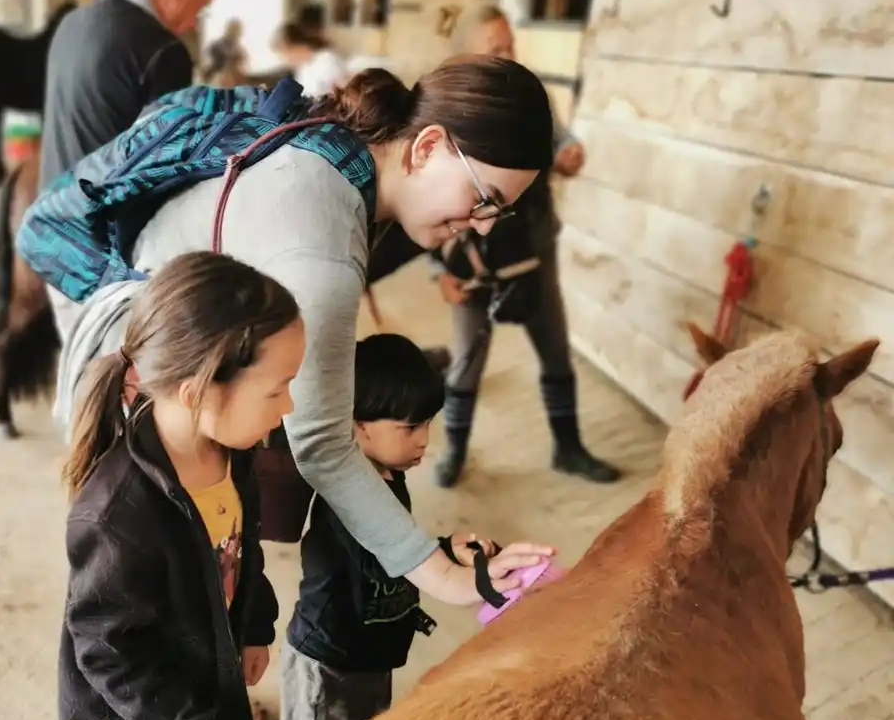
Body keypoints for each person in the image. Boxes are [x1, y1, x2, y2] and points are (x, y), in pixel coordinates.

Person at [37, 55, 557, 614]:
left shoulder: (338, 147)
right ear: (427, 147)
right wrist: (448, 579)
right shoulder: (321, 254)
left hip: (150, 317)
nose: (481, 225)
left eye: (497, 214)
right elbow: (322, 445)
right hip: (149, 369)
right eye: (485, 198)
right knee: (158, 577)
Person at [59, 250, 302, 720]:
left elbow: (237, 550)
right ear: (198, 389)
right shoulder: (117, 514)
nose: (289, 404)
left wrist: (252, 623)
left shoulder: (231, 453)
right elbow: (109, 654)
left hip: (198, 708)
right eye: (276, 388)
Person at [281, 333, 554, 720]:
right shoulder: (350, 497)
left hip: (371, 654)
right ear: (357, 427)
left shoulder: (389, 477)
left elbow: (399, 553)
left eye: (428, 423)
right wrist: (471, 576)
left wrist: (446, 548)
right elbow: (390, 558)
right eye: (409, 427)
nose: (425, 439)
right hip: (329, 664)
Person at [432, 5, 619, 487]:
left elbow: (559, 140)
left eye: (511, 45)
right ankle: (453, 452)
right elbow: (426, 198)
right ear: (471, 54)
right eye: (496, 49)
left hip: (534, 244)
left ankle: (569, 449)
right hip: (471, 256)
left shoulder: (530, 96)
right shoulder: (445, 110)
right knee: (467, 362)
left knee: (555, 350)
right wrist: (441, 271)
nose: (509, 55)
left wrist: (569, 153)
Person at [39, 0, 218, 192]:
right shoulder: (163, 51)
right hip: (104, 226)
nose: (192, 24)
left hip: (50, 215)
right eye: (199, 9)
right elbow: (165, 172)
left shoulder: (70, 24)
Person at [272, 20, 349, 98]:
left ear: (297, 45)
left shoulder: (328, 60)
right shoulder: (303, 68)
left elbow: (341, 95)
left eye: (285, 53)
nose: (286, 60)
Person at [200, 18, 248, 87]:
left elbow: (242, 64)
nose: (236, 33)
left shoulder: (238, 49)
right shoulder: (218, 45)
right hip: (219, 80)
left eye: (237, 30)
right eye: (234, 29)